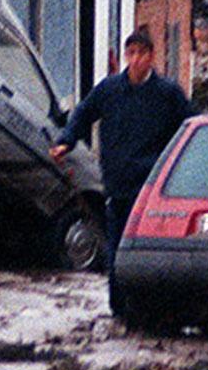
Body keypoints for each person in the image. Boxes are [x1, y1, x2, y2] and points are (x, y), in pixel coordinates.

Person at [50, 29, 194, 269]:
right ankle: (117, 306)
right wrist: (66, 141)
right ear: (126, 56)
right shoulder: (109, 90)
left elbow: (189, 127)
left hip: (153, 189)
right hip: (118, 186)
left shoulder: (167, 93)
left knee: (148, 252)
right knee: (117, 254)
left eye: (141, 53)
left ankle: (145, 304)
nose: (136, 59)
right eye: (131, 53)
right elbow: (83, 114)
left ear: (151, 57)